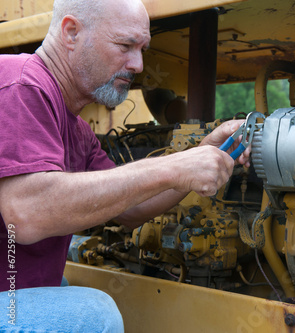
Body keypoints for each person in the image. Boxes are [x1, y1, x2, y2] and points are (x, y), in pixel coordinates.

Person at [0, 0, 250, 331]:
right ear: (71, 32)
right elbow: (27, 213)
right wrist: (173, 167)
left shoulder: (78, 130)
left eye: (142, 48)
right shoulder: (20, 85)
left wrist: (201, 152)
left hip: (15, 293)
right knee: (94, 314)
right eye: (125, 46)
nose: (138, 64)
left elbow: (131, 208)